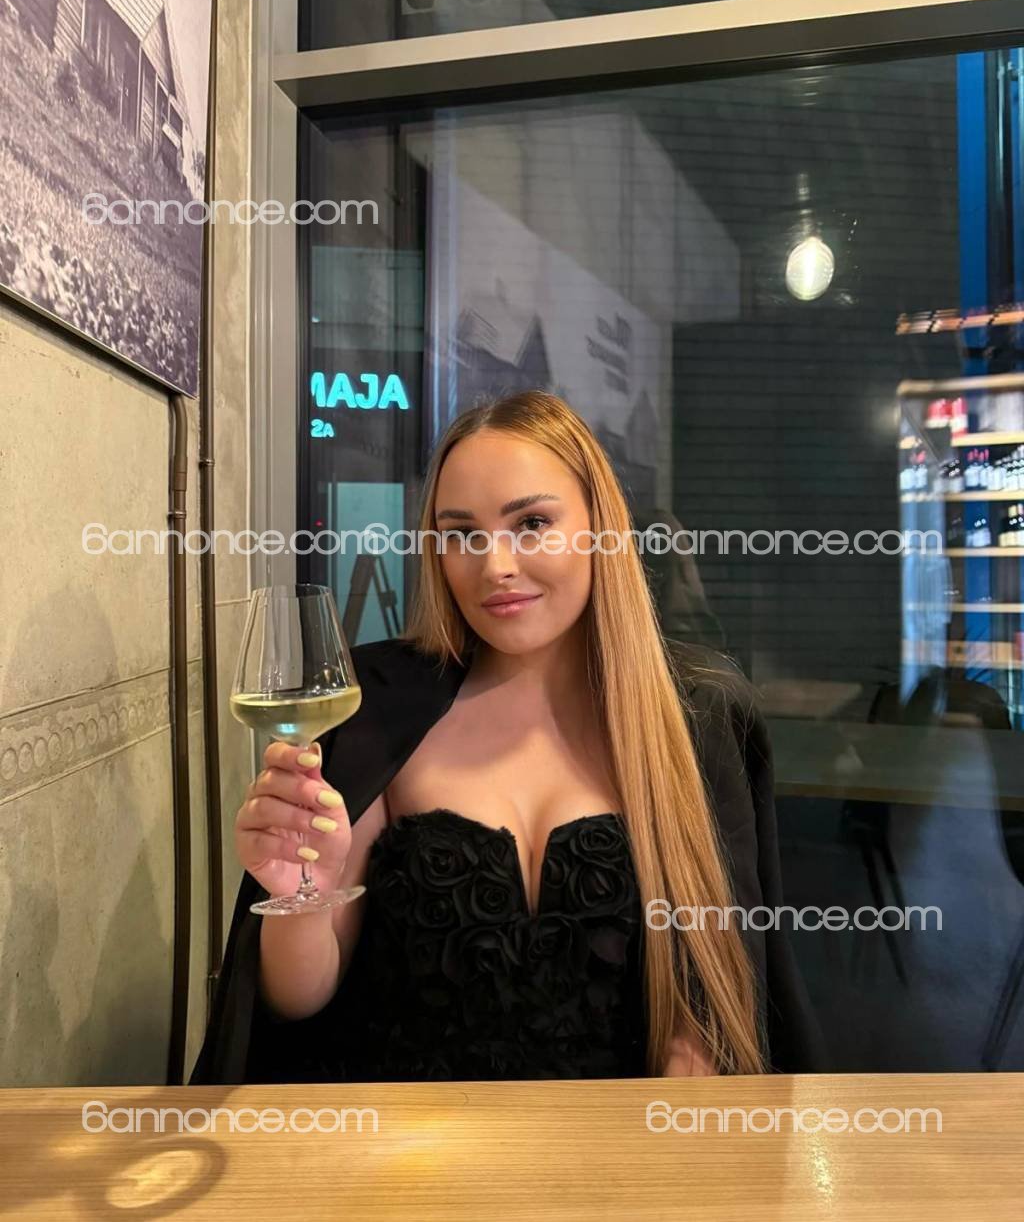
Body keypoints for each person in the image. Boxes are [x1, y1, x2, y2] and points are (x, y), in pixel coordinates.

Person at [191, 390, 821, 1084]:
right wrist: (299, 893)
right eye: (462, 533)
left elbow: (711, 1007)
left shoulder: (693, 714)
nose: (494, 565)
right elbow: (299, 1002)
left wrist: (652, 1139)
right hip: (405, 1141)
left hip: (618, 1141)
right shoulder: (376, 704)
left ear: (601, 527)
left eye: (532, 523)